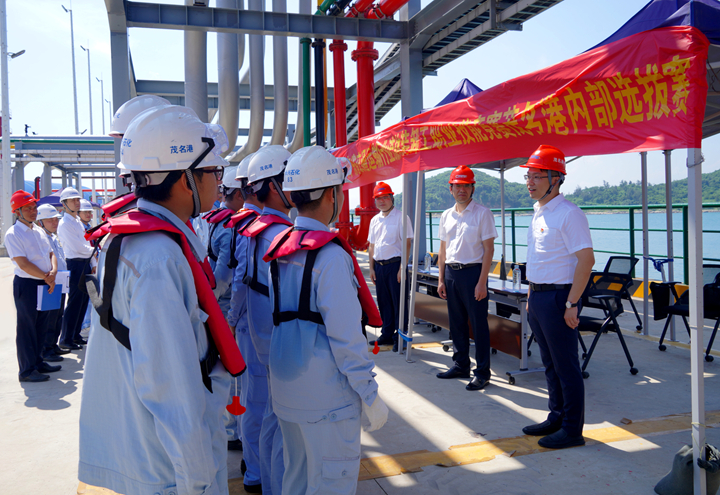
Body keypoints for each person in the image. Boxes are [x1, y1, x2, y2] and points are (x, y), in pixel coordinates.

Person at [78, 105, 246, 495]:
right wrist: (197, 478)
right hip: (171, 471)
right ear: (186, 178)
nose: (219, 182)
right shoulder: (159, 257)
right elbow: (170, 387)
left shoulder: (134, 240)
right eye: (213, 172)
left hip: (154, 458)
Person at [263, 146, 387, 494]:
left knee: (296, 479)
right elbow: (346, 337)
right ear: (332, 195)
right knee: (331, 484)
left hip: (286, 391)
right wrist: (369, 393)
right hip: (327, 400)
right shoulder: (330, 256)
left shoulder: (280, 248)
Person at [520, 144, 594, 450]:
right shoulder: (539, 212)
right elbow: (538, 259)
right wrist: (530, 294)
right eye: (528, 176)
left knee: (566, 366)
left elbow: (586, 260)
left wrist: (572, 303)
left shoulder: (569, 214)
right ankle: (557, 416)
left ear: (556, 179)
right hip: (538, 297)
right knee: (549, 363)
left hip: (560, 297)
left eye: (537, 176)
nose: (530, 182)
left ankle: (572, 430)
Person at [240, 145, 295, 495]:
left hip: (261, 337)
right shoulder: (280, 234)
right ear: (273, 187)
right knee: (281, 426)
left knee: (267, 416)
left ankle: (259, 477)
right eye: (289, 177)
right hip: (279, 344)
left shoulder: (259, 228)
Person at [436, 165, 498, 391]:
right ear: (450, 188)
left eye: (466, 186)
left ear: (473, 188)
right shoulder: (446, 215)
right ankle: (460, 365)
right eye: (457, 186)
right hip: (451, 273)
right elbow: (443, 249)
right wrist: (441, 279)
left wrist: (482, 282)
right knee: (457, 324)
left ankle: (482, 373)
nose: (461, 190)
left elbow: (489, 250)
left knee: (479, 325)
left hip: (473, 274)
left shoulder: (483, 213)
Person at [225, 154, 265, 493]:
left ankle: (251, 462)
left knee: (249, 395)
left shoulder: (239, 222)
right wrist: (232, 319)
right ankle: (254, 470)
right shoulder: (253, 225)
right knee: (257, 401)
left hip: (245, 324)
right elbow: (240, 280)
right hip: (253, 326)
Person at [5, 191, 60, 382]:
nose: (33, 211)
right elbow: (23, 263)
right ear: (17, 212)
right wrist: (47, 277)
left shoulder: (38, 230)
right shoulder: (14, 234)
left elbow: (51, 253)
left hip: (45, 282)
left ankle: (38, 362)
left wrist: (53, 272)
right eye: (27, 208)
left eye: (34, 207)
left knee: (41, 325)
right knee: (27, 328)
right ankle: (27, 371)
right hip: (27, 284)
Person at [367, 181, 413, 353]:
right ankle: (386, 333)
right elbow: (372, 245)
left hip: (395, 266)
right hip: (379, 266)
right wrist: (371, 268)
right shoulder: (374, 220)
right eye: (378, 198)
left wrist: (402, 268)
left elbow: (407, 244)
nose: (382, 201)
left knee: (399, 303)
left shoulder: (402, 217)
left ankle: (400, 337)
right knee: (384, 302)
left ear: (392, 198)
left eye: (385, 197)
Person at [57, 186, 95, 350]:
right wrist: (95, 252)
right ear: (64, 204)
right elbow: (78, 247)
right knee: (74, 302)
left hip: (84, 263)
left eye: (77, 199)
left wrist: (93, 263)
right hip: (74, 264)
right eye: (72, 200)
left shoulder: (77, 222)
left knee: (83, 301)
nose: (76, 202)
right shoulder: (65, 224)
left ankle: (75, 335)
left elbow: (85, 244)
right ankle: (66, 338)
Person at [35, 204, 70, 363]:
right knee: (49, 317)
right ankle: (46, 350)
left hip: (61, 281)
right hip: (50, 282)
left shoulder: (54, 237)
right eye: (50, 220)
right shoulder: (41, 238)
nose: (54, 223)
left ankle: (53, 345)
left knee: (58, 315)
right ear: (40, 222)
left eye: (56, 219)